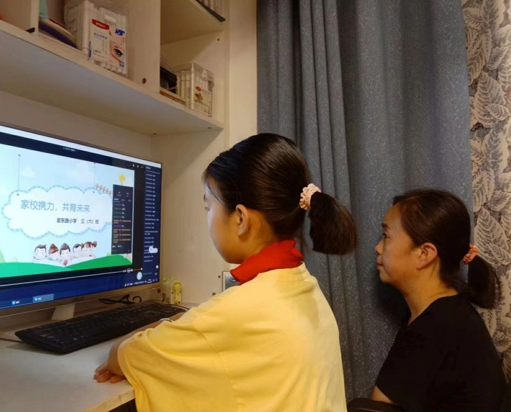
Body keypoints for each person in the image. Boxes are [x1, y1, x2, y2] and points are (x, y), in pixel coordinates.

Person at [93, 133, 358, 411]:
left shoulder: (237, 311)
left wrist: (169, 322)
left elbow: (122, 356)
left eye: (209, 207)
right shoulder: (305, 285)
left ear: (241, 218)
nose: (207, 218)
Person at [372, 188, 506, 412]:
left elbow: (375, 408)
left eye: (386, 236)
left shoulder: (435, 329)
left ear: (424, 254)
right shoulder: (446, 313)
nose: (377, 248)